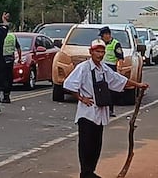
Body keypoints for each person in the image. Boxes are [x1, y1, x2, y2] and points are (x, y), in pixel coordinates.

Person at [63, 39, 149, 178]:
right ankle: (86, 173)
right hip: (87, 113)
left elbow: (118, 80)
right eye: (97, 51)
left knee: (96, 146)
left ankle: (90, 172)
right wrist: (81, 98)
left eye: (102, 51)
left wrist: (138, 85)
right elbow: (69, 84)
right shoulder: (83, 68)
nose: (100, 54)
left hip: (100, 113)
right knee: (86, 146)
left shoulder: (103, 69)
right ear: (91, 52)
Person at [100, 26, 123, 117]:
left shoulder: (115, 44)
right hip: (101, 67)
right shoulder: (101, 43)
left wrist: (119, 71)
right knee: (101, 89)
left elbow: (120, 58)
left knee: (110, 90)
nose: (102, 37)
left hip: (111, 68)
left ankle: (110, 109)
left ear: (108, 35)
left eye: (103, 35)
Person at [0, 28, 22, 104]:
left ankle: (0, 95)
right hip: (10, 59)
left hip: (1, 59)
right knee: (8, 77)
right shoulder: (12, 36)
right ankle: (7, 95)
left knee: (1, 77)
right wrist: (19, 58)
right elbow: (18, 48)